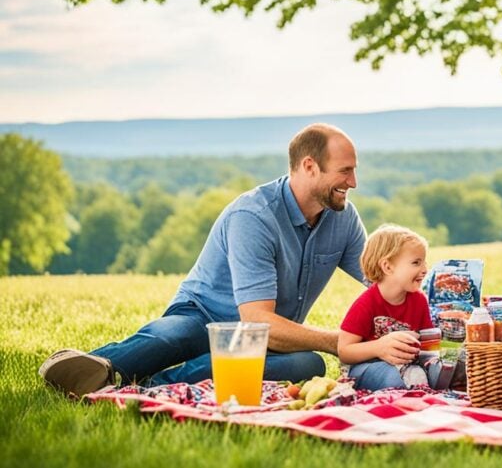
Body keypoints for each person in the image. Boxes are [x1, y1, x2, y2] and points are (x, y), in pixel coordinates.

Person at [39, 123, 368, 397]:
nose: (353, 182)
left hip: (263, 342)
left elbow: (381, 275)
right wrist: (339, 341)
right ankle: (89, 367)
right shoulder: (254, 216)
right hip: (203, 316)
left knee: (308, 365)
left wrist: (416, 288)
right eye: (345, 171)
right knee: (170, 337)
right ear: (309, 166)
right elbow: (258, 320)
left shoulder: (342, 218)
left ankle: (147, 389)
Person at [338, 224, 440, 390]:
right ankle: (414, 388)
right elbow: (344, 351)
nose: (425, 270)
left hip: (408, 365)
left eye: (424, 263)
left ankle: (419, 386)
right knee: (394, 377)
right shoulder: (366, 303)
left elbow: (429, 345)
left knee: (440, 371)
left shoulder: (419, 300)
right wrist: (378, 348)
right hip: (368, 366)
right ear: (387, 267)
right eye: (416, 263)